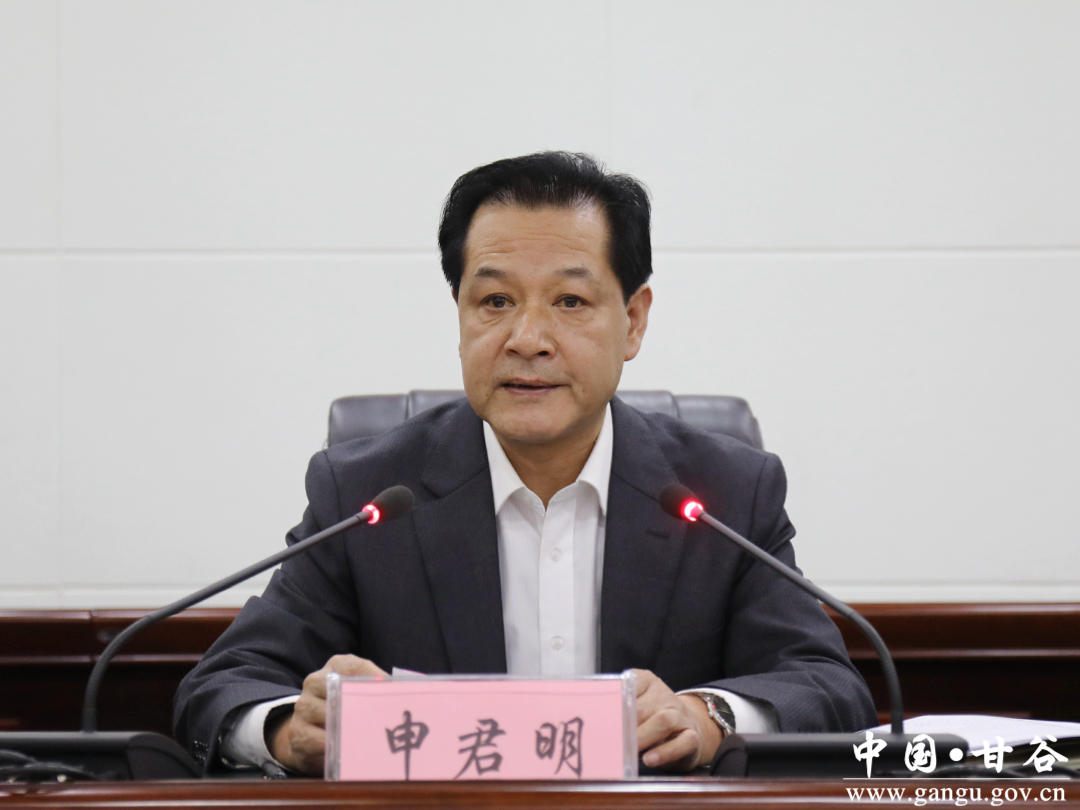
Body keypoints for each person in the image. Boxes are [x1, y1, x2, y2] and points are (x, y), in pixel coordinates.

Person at [174, 152, 876, 775]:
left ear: (633, 321)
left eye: (570, 301)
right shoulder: (367, 496)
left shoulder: (725, 493)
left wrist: (707, 717)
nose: (528, 338)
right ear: (459, 314)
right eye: (495, 301)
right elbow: (223, 687)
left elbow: (827, 686)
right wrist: (290, 729)